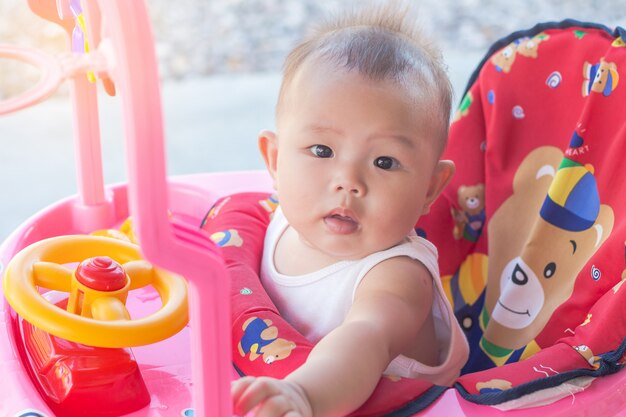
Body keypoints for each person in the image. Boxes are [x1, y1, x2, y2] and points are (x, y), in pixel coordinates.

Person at [231, 2, 469, 416]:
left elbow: (365, 339)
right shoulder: (285, 215)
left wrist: (304, 395)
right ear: (274, 159)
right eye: (322, 150)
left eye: (384, 162)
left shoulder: (397, 275)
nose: (348, 181)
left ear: (430, 187)